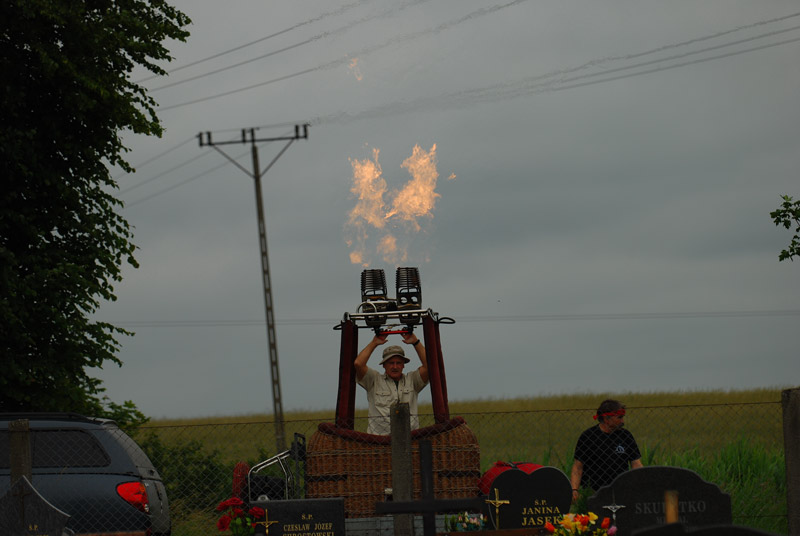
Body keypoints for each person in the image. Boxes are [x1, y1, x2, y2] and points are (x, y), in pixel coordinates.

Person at [354, 332, 429, 435]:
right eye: (391, 363)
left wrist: (415, 342)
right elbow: (358, 363)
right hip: (379, 440)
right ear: (384, 365)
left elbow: (430, 365)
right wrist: (374, 343)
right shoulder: (374, 380)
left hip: (409, 438)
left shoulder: (412, 380)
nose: (395, 367)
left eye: (398, 363)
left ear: (403, 365)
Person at [570, 399, 643, 503]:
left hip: (621, 491)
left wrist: (642, 485)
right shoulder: (588, 437)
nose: (623, 422)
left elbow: (636, 464)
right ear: (606, 419)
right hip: (593, 492)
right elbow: (578, 467)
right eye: (619, 417)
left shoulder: (626, 436)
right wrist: (574, 490)